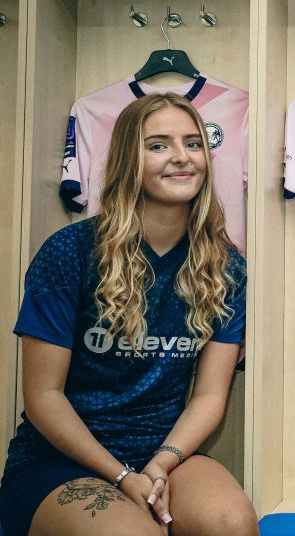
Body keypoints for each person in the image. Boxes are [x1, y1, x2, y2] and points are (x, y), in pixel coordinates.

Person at [0, 93, 258, 535]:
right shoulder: (70, 252)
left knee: (232, 525)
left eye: (193, 144)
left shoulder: (225, 267)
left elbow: (210, 396)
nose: (181, 157)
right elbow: (43, 396)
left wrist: (160, 462)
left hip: (161, 454)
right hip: (61, 462)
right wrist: (120, 476)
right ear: (127, 160)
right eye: (158, 145)